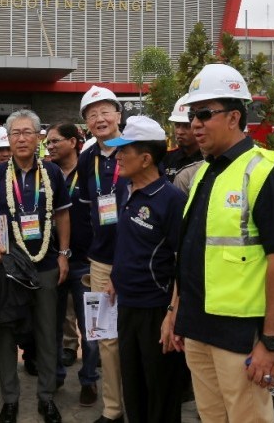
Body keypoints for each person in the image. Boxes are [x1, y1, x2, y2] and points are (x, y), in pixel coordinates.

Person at [165, 63, 274, 423]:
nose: (194, 123)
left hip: (240, 336)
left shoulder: (266, 171)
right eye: (193, 114)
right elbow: (190, 251)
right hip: (197, 328)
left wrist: (271, 342)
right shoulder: (206, 171)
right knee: (212, 418)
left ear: (234, 116)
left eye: (204, 113)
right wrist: (175, 312)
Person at [0, 109, 72, 423]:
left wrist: (63, 254)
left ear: (38, 137)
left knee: (47, 331)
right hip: (9, 267)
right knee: (7, 332)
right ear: (8, 137)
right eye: (15, 133)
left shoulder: (52, 173)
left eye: (27, 132)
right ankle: (11, 399)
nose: (21, 138)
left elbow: (61, 215)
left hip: (45, 264)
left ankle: (46, 397)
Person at [104, 116, 190, 423]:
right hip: (127, 305)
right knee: (134, 386)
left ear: (146, 158)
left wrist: (173, 311)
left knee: (161, 391)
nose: (117, 157)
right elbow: (128, 242)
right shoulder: (125, 191)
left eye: (124, 150)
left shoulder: (172, 200)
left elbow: (183, 261)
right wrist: (116, 276)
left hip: (158, 310)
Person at [77, 85, 126, 423]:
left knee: (137, 336)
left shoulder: (137, 149)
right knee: (106, 338)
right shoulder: (86, 158)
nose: (99, 118)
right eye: (92, 115)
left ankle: (139, 402)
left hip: (138, 262)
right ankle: (112, 408)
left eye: (105, 111)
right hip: (101, 263)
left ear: (119, 115)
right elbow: (84, 213)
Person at [45, 122, 100, 408]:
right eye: (48, 143)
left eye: (55, 141)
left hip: (86, 263)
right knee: (52, 324)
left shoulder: (91, 173)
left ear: (74, 141)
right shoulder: (47, 174)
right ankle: (55, 374)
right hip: (52, 262)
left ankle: (89, 379)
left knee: (92, 327)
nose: (50, 146)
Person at [161, 94, 203, 183]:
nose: (180, 131)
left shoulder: (208, 160)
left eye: (186, 126)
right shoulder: (167, 159)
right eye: (177, 125)